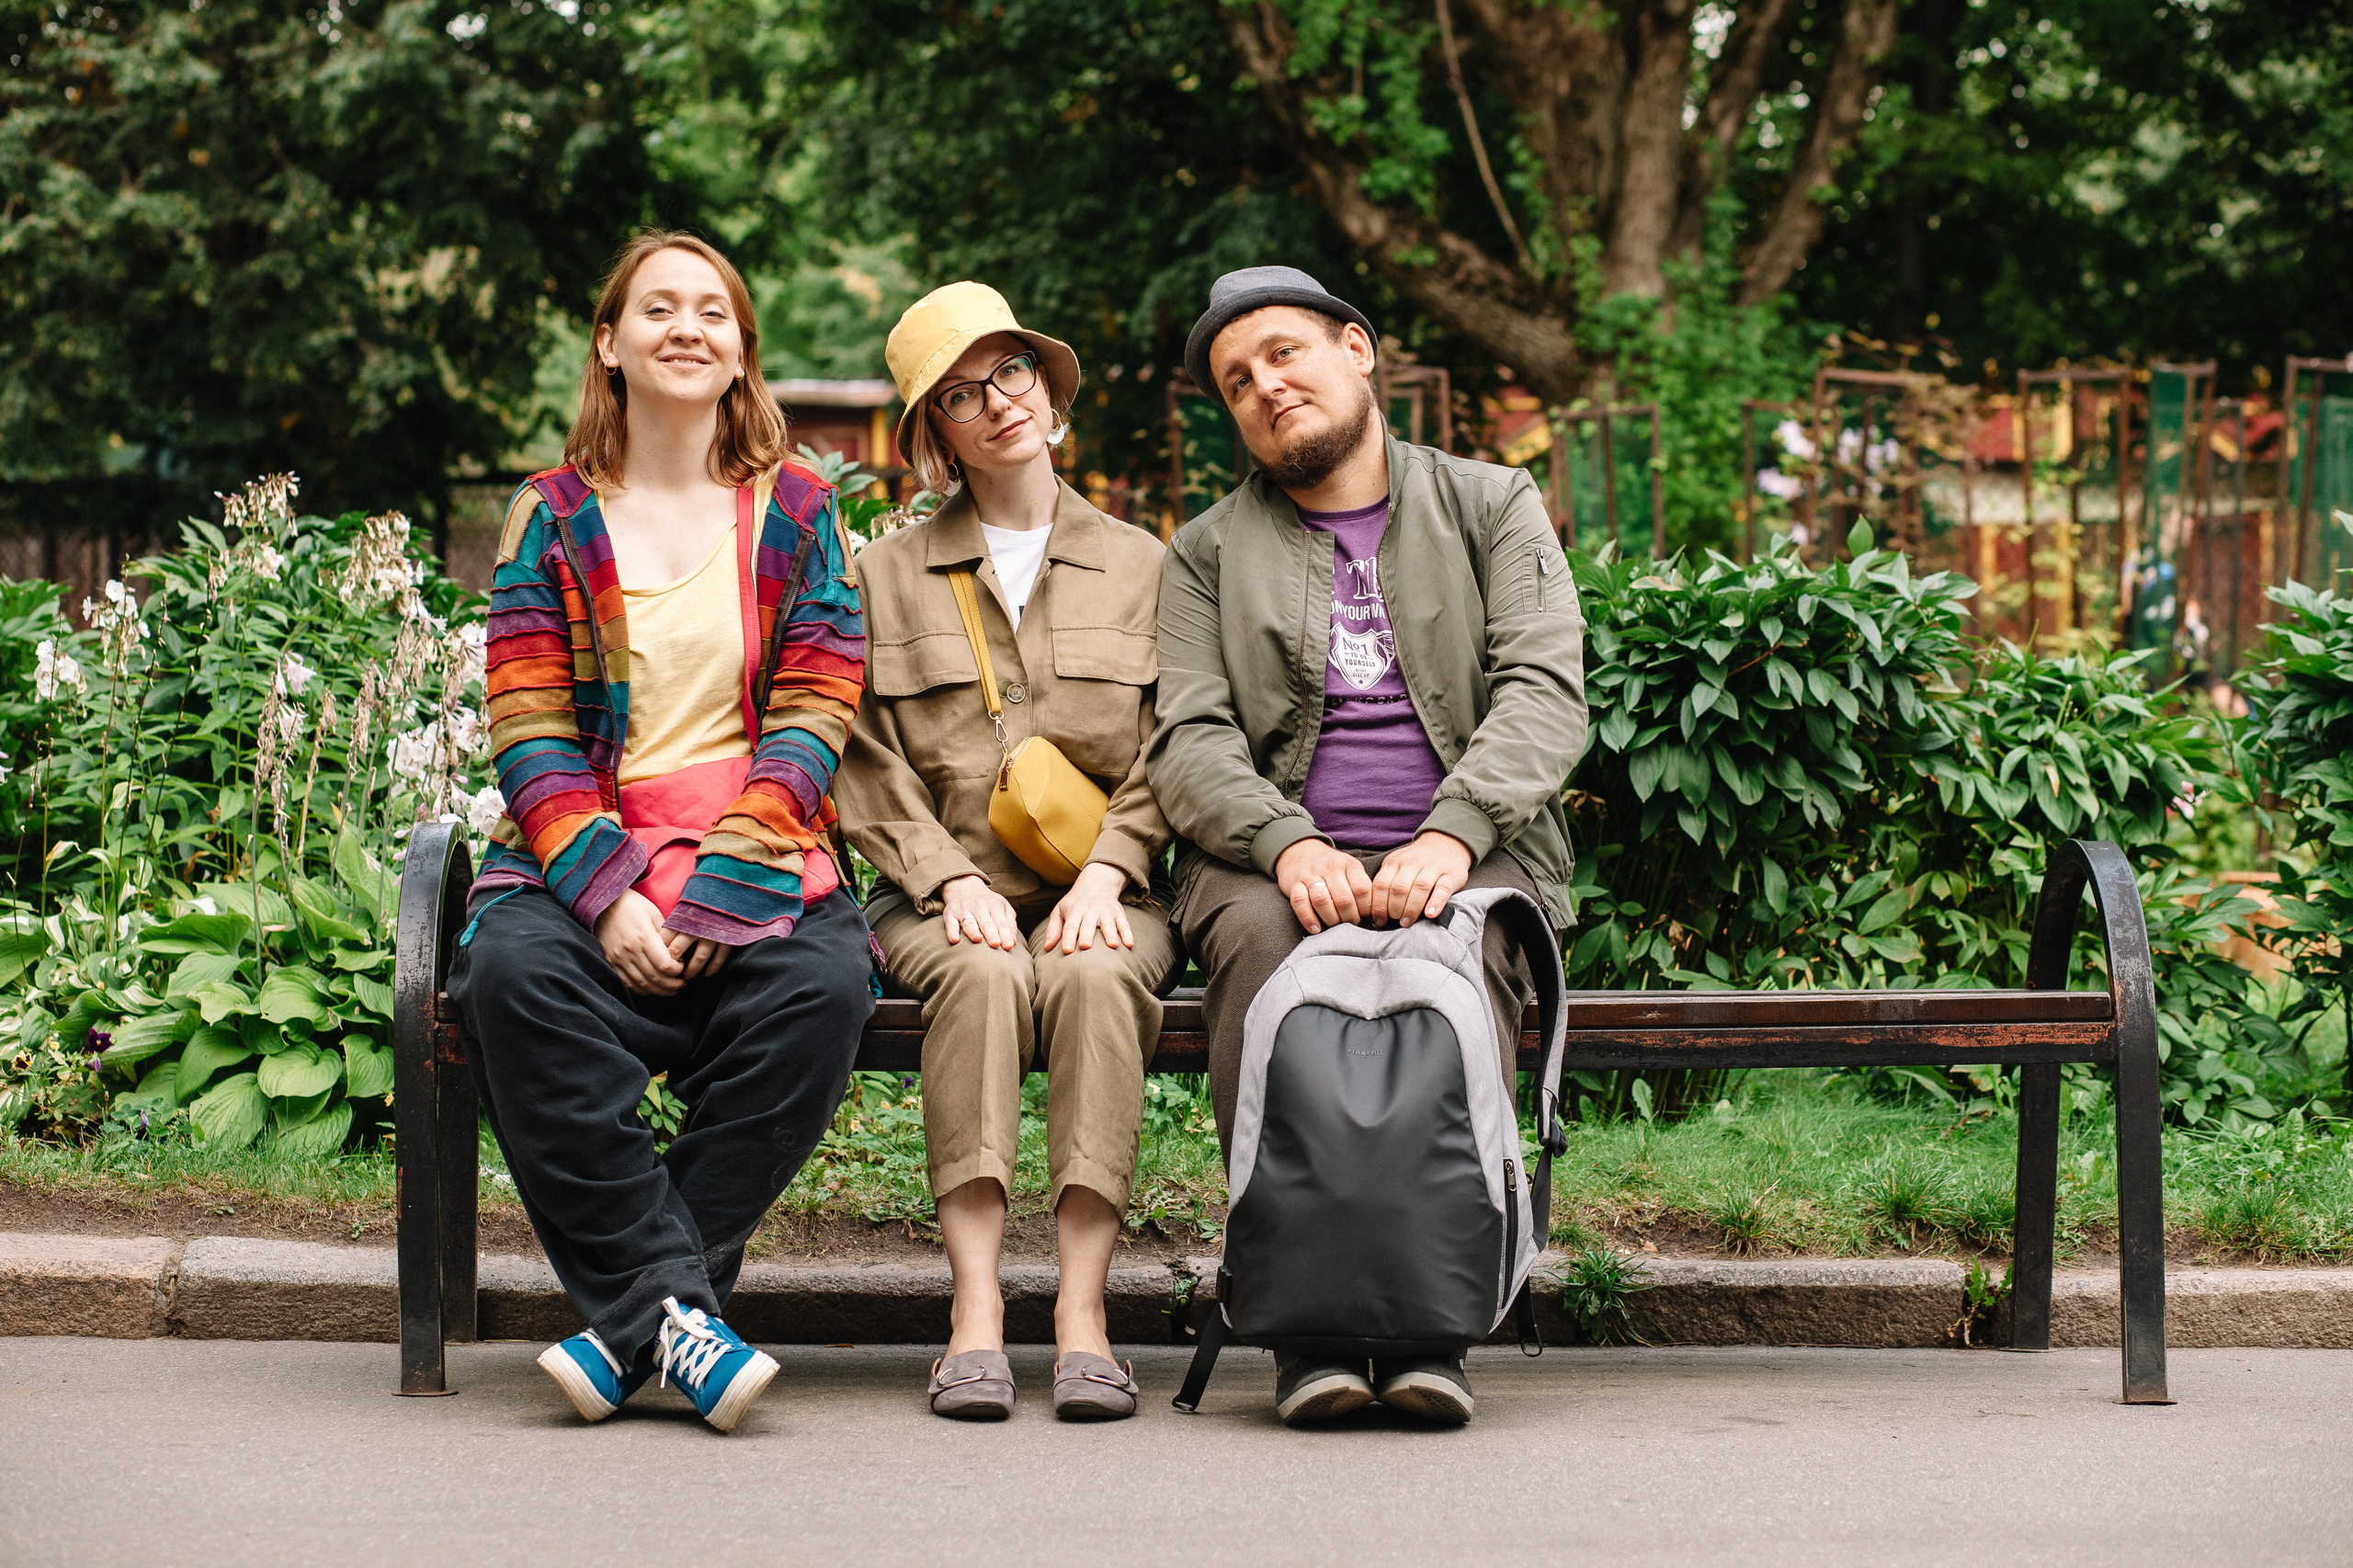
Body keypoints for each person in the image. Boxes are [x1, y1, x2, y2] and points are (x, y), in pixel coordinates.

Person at [1148, 266, 1588, 1428]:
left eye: (1284, 354)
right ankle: (1305, 1324)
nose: (1264, 387)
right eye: (1237, 382)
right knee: (1255, 945)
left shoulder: (1492, 503)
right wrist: (1285, 845)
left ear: (1357, 348)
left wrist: (1454, 833)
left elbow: (1545, 691)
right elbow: (1188, 737)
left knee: (1467, 944)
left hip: (1477, 844)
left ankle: (1436, 1318)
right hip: (1264, 856)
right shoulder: (1203, 550)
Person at [449, 232, 873, 1433]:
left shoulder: (796, 510)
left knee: (827, 984)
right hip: (583, 852)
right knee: (512, 978)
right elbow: (527, 722)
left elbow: (817, 701)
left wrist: (730, 883)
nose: (688, 327)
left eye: (714, 311)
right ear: (611, 341)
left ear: (740, 350)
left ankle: (632, 1323)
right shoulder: (552, 515)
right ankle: (680, 1316)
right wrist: (612, 895)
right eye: (659, 308)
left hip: (753, 844)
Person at [835, 282, 1176, 1422]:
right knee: (981, 975)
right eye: (960, 394)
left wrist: (1108, 872)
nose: (995, 406)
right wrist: (948, 878)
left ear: (1048, 385)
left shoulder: (1144, 565)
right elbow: (855, 750)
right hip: (942, 897)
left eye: (1010, 375)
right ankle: (973, 1312)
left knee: (1092, 973)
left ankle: (1083, 1314)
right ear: (936, 431)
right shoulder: (882, 574)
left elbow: (1182, 739)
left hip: (1102, 889)